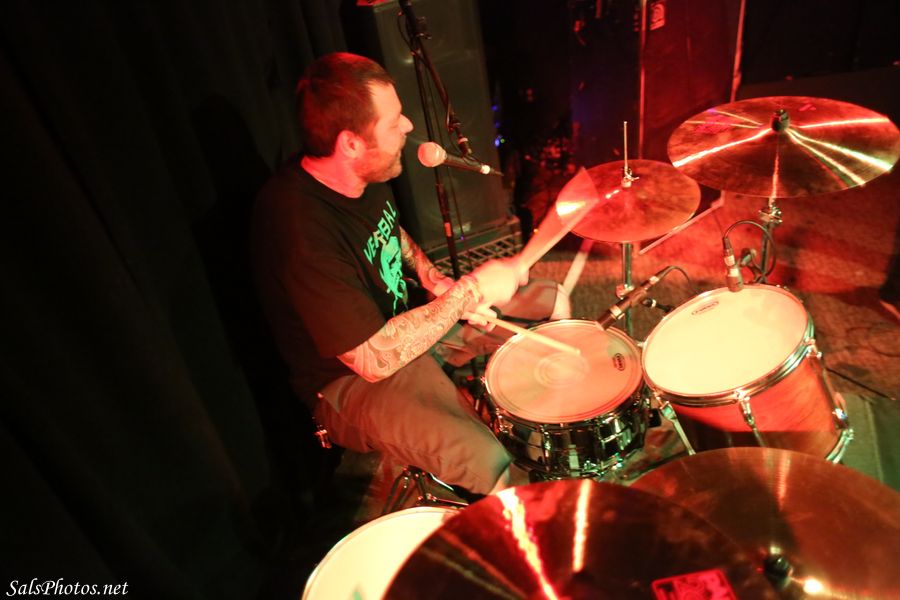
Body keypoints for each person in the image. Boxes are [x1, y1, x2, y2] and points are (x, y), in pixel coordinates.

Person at [251, 52, 565, 496]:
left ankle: (541, 424)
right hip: (350, 382)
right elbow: (372, 359)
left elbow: (392, 234)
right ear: (351, 144)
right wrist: (467, 292)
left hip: (404, 324)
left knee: (550, 302)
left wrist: (435, 281)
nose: (408, 127)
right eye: (393, 121)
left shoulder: (358, 173)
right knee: (487, 462)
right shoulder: (300, 231)